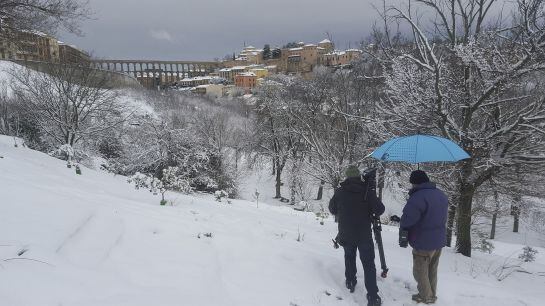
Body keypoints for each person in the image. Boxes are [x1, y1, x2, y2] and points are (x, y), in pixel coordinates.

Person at [329, 165, 385, 306]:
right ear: (359, 176)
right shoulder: (367, 191)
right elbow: (380, 209)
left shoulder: (340, 192)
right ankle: (373, 296)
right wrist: (371, 193)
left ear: (347, 177)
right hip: (364, 235)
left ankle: (350, 281)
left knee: (349, 257)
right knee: (368, 264)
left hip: (346, 233)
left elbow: (332, 208)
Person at [399, 170, 449, 304]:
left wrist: (402, 223)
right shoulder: (441, 195)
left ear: (415, 183)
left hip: (423, 241)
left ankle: (426, 297)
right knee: (432, 269)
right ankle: (431, 294)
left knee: (420, 272)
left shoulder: (417, 198)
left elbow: (407, 220)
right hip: (438, 240)